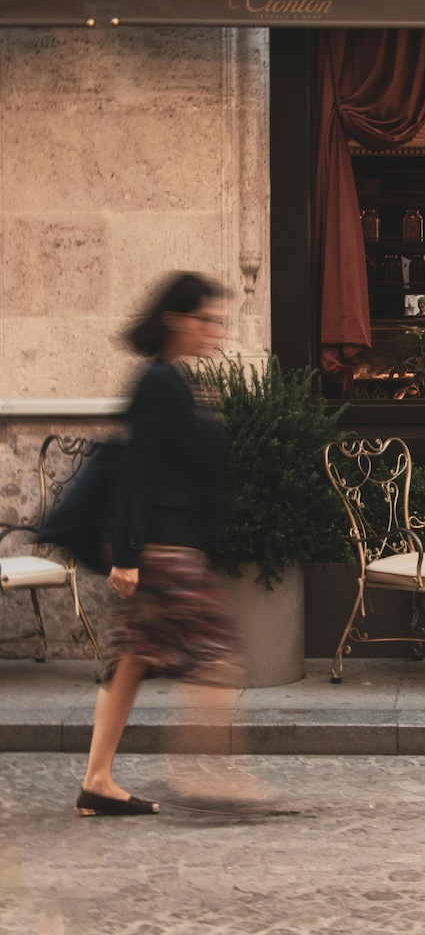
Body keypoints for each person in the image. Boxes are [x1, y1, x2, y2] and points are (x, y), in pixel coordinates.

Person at [76, 272, 238, 817]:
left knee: (133, 659)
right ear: (176, 320)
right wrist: (126, 554)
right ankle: (203, 773)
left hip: (166, 544)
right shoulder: (159, 383)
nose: (212, 330)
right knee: (216, 654)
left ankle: (97, 779)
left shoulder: (171, 379)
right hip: (165, 548)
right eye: (204, 319)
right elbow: (137, 472)